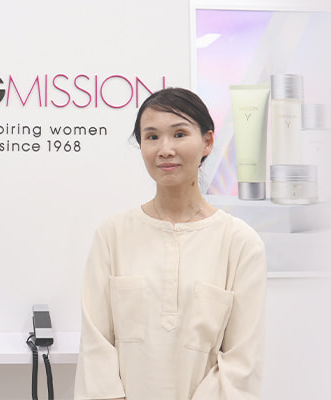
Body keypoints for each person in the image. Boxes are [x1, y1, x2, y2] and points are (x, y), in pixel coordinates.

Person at [74, 88, 266, 400]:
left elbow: (241, 361)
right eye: (152, 137)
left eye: (179, 134)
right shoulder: (112, 235)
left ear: (207, 142)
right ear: (141, 146)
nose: (165, 149)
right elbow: (96, 347)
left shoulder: (240, 243)